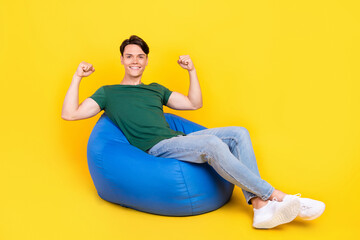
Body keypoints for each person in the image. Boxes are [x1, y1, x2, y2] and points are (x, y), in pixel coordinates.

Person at [61, 35, 325, 229]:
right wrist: (77, 77)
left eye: (140, 56)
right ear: (121, 60)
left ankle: (259, 207)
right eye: (129, 56)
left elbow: (193, 104)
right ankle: (275, 196)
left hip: (179, 140)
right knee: (211, 144)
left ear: (146, 60)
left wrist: (192, 71)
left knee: (239, 133)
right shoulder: (109, 92)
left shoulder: (155, 89)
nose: (135, 61)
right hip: (156, 148)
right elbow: (70, 114)